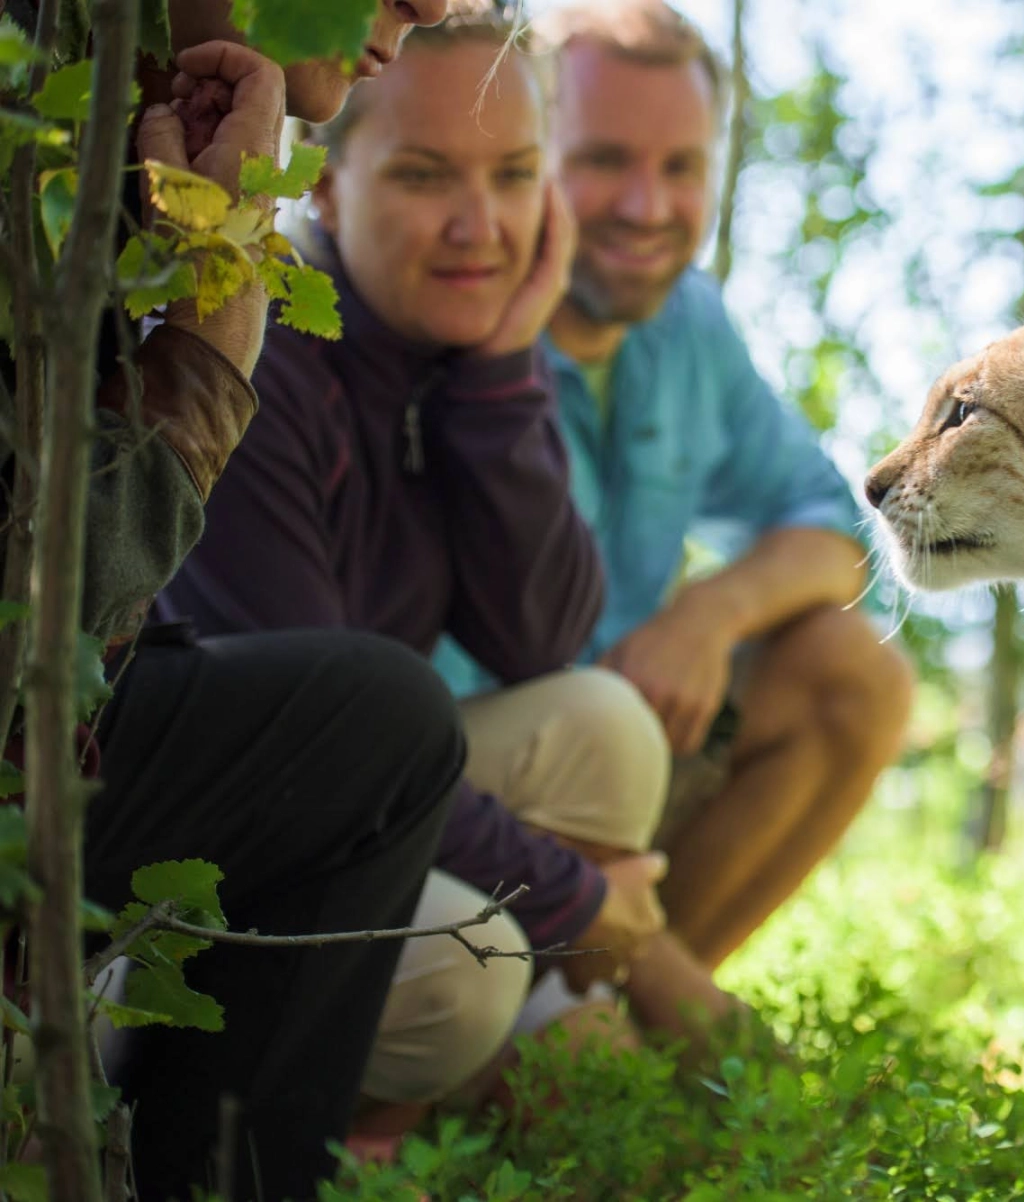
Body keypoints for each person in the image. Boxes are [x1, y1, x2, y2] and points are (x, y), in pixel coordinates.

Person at [154, 10, 706, 1143]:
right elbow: (325, 748)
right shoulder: (265, 340)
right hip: (185, 853)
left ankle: (402, 1117)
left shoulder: (459, 356)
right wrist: (585, 901)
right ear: (324, 188)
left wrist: (503, 371)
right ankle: (277, 1132)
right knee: (472, 965)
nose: (480, 226)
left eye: (513, 176)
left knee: (606, 728)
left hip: (346, 797)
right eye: (422, 174)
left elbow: (541, 635)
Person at [1, 2, 478, 1199]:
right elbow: (31, 647)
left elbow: (545, 614)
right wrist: (209, 360)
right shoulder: (27, 102)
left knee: (380, 733)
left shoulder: (139, 125)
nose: (425, 17)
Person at [436, 0, 914, 986]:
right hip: (452, 801)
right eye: (605, 158)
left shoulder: (689, 324)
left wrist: (709, 612)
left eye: (682, 166)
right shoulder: (450, 314)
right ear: (528, 152)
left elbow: (840, 532)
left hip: (620, 775)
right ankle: (651, 1022)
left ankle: (617, 1012)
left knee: (849, 672)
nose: (648, 208)